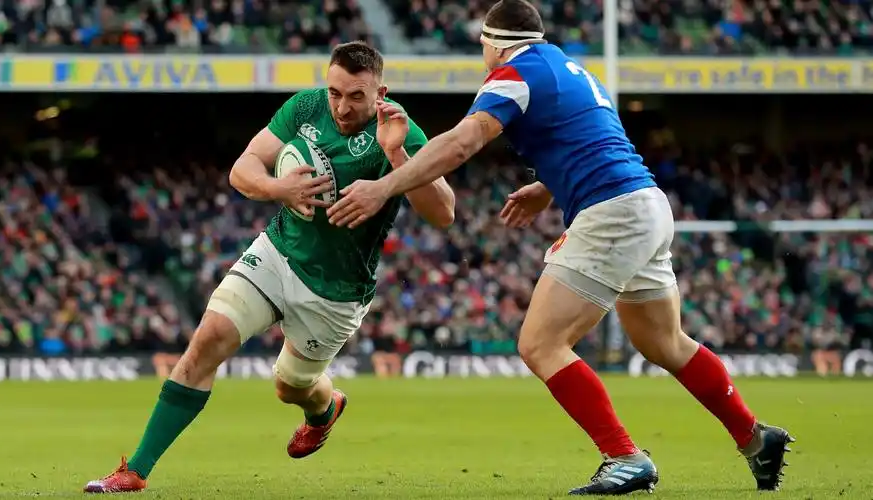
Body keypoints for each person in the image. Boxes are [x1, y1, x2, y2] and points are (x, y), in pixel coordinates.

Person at [326, 0, 793, 496]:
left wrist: (385, 185)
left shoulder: (513, 73)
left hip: (611, 211)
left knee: (540, 343)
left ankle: (624, 455)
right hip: (647, 204)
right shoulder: (571, 69)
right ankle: (753, 437)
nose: (481, 52)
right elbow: (591, 137)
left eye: (482, 43)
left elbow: (461, 143)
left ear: (495, 41)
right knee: (664, 343)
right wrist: (547, 187)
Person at [83, 41, 455, 494]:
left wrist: (397, 157)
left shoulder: (398, 128)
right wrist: (279, 189)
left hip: (335, 290)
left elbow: (443, 213)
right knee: (207, 340)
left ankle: (324, 409)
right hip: (277, 253)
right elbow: (243, 168)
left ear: (381, 92)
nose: (341, 105)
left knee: (291, 386)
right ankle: (135, 470)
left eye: (356, 96)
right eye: (335, 91)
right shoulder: (305, 107)